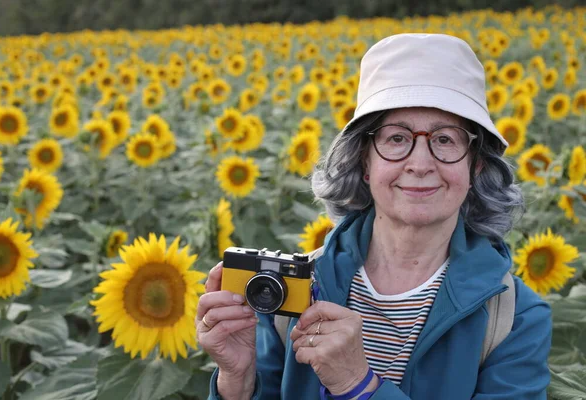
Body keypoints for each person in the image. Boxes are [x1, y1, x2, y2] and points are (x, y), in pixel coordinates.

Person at [195, 33, 552, 400]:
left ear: (475, 164)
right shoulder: (294, 291)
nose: (419, 164)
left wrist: (359, 385)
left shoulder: (514, 320)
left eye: (445, 140)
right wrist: (236, 379)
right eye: (397, 139)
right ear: (365, 161)